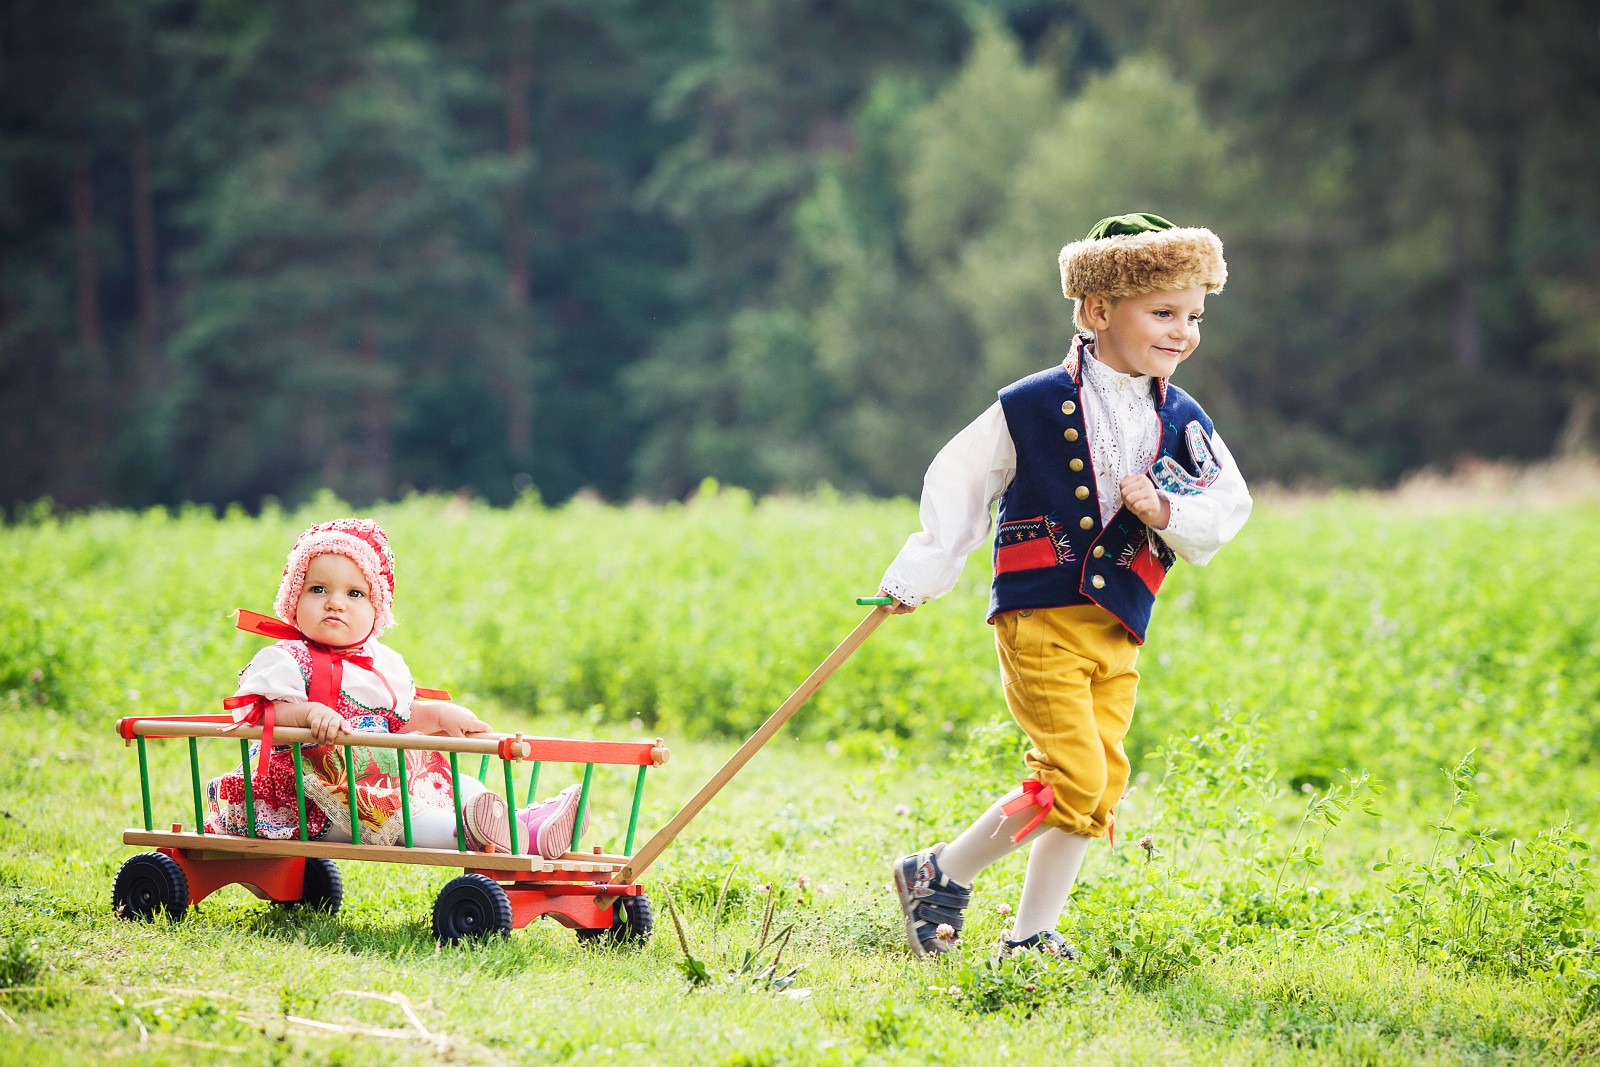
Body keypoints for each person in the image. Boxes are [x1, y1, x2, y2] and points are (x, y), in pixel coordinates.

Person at [881, 213, 1252, 958]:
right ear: (1097, 310)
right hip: (1041, 614)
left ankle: (1029, 934)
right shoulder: (1029, 403)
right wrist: (924, 568)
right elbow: (962, 480)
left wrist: (1168, 508)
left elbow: (1229, 503)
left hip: (1119, 621)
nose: (1184, 331)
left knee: (1098, 780)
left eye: (1194, 316)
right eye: (1164, 312)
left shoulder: (1182, 417)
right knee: (1075, 771)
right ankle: (941, 872)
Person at [205, 517, 583, 857]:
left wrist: (438, 714)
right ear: (293, 598)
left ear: (376, 609)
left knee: (453, 783)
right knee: (401, 815)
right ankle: (472, 833)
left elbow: (394, 723)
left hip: (377, 773)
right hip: (315, 791)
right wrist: (306, 712)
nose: (335, 603)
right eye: (318, 589)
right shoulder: (285, 658)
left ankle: (522, 826)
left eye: (355, 594)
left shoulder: (380, 663)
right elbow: (255, 713)